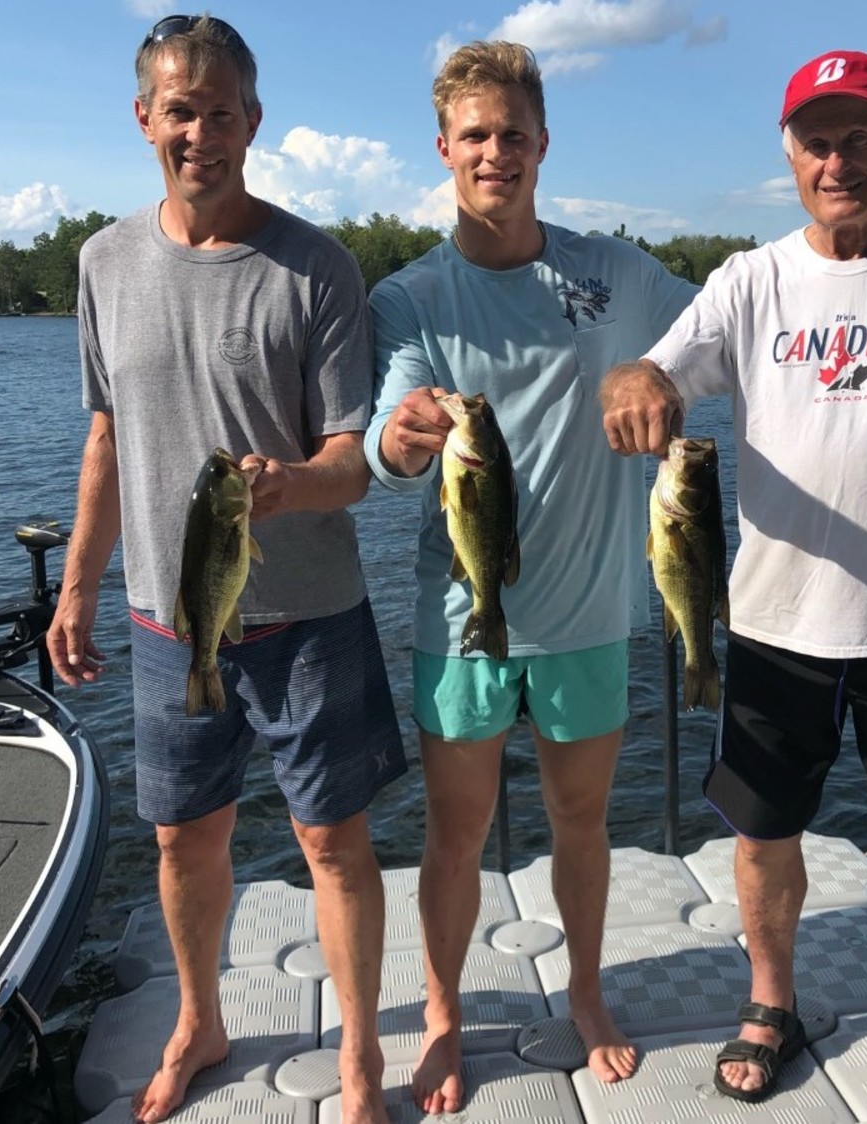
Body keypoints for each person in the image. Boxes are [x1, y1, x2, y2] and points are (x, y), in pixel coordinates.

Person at [601, 49, 867, 1124]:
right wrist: (634, 378)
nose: (837, 159)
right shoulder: (750, 281)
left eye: (858, 137)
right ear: (789, 155)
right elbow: (659, 369)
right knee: (764, 839)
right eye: (817, 139)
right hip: (772, 626)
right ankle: (770, 1003)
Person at [46, 16, 406, 1124]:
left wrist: (293, 482)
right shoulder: (103, 261)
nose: (201, 130)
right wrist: (75, 585)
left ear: (255, 120)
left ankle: (358, 1055)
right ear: (146, 116)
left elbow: (355, 456)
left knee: (333, 845)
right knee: (181, 838)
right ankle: (200, 1017)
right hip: (168, 620)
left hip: (310, 614)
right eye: (180, 107)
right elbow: (106, 438)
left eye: (222, 109)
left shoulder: (319, 265)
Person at [362, 40, 698, 1114]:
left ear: (543, 144)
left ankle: (588, 992)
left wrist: (663, 367)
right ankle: (449, 1015)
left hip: (595, 607)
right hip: (463, 615)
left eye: (513, 133)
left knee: (582, 819)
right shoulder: (412, 296)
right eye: (475, 134)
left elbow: (741, 322)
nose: (495, 151)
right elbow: (387, 430)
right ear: (444, 149)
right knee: (455, 832)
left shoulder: (620, 275)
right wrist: (402, 440)